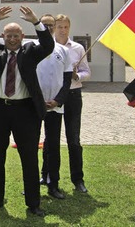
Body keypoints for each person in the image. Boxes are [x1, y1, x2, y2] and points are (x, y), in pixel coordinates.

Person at [0, 6, 53, 217]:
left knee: (29, 158)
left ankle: (33, 203)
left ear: (22, 36)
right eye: (8, 35)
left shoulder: (31, 52)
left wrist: (36, 21)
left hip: (25, 111)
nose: (12, 39)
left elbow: (48, 44)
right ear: (3, 36)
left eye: (16, 35)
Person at [36, 14, 73, 200]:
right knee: (29, 147)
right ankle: (33, 183)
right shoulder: (31, 48)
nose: (49, 28)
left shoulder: (63, 51)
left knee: (53, 146)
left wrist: (58, 100)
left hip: (55, 106)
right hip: (34, 106)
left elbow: (67, 81)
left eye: (51, 25)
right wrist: (36, 100)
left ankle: (53, 184)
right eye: (45, 25)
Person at [55, 14, 91, 193]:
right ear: (54, 28)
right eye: (59, 26)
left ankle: (78, 179)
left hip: (73, 95)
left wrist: (78, 75)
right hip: (54, 95)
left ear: (69, 28)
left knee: (74, 139)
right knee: (51, 139)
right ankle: (49, 176)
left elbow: (87, 72)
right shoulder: (49, 47)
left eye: (66, 27)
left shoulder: (78, 48)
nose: (63, 30)